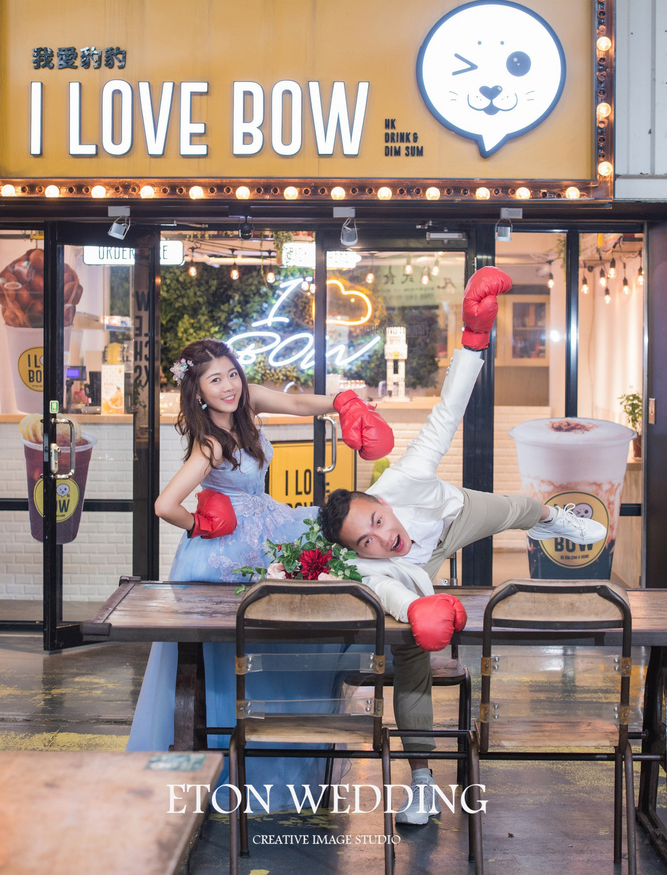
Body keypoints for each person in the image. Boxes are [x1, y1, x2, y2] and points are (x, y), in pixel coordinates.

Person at [318, 266, 607, 825]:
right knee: (409, 656)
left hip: (450, 515)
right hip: (416, 572)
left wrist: (475, 336)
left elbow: (447, 411)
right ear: (359, 551)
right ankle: (422, 782)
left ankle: (555, 521)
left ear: (382, 501)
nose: (382, 535)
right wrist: (419, 611)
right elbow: (386, 595)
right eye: (368, 540)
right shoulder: (369, 568)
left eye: (377, 518)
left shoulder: (406, 482)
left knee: (521, 507)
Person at [126, 337, 393, 810]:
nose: (228, 385)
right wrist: (201, 524)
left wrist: (341, 402)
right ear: (199, 391)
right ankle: (233, 770)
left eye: (232, 373)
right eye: (215, 380)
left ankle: (282, 749)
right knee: (239, 652)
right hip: (224, 553)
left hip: (265, 528)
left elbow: (292, 402)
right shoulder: (209, 442)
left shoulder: (245, 401)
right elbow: (164, 504)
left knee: (285, 631)